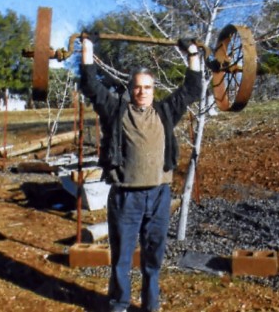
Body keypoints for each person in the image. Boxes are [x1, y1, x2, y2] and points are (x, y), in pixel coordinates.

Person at [79, 36, 202, 312]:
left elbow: (192, 89)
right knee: (122, 256)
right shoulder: (116, 111)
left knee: (153, 256)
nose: (142, 92)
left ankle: (151, 305)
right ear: (130, 89)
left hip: (159, 195)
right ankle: (119, 303)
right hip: (126, 197)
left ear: (153, 89)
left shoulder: (165, 111)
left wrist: (192, 52)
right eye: (137, 87)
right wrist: (87, 48)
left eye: (147, 87)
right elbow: (91, 86)